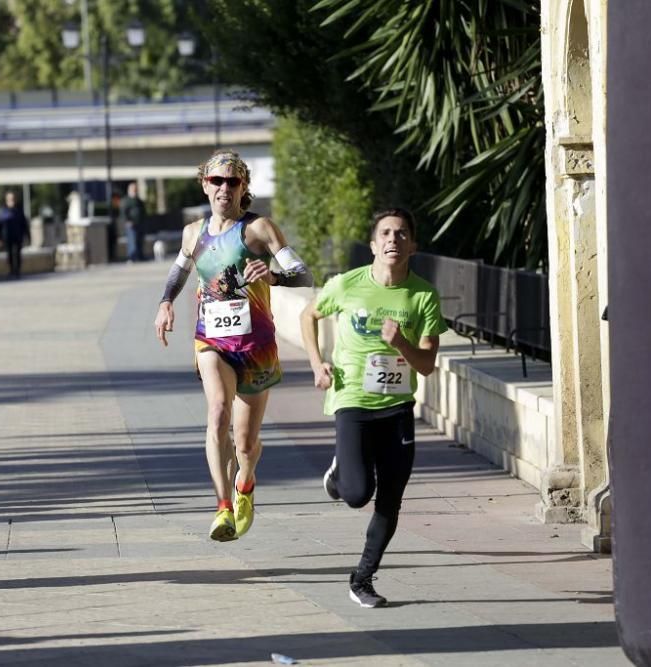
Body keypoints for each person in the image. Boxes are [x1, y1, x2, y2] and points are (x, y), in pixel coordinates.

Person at [154, 149, 314, 542]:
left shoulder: (259, 229)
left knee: (245, 443)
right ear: (205, 186)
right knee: (217, 412)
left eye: (233, 181)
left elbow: (304, 274)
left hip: (255, 345)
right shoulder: (194, 233)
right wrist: (165, 303)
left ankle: (245, 484)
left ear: (244, 188)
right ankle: (222, 508)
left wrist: (273, 277)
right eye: (216, 181)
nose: (224, 188)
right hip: (211, 340)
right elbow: (179, 271)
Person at [299, 208, 447, 608]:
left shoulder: (423, 295)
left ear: (413, 245)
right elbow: (308, 314)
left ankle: (362, 579)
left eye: (401, 234)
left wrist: (401, 344)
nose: (393, 240)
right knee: (356, 494)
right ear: (373, 245)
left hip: (398, 407)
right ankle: (339, 474)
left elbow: (428, 365)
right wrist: (317, 363)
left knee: (391, 499)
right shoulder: (346, 285)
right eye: (385, 234)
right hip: (352, 400)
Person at [0, 190, 30, 279]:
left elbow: (24, 223)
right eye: (10, 198)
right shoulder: (3, 210)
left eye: (13, 198)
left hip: (17, 235)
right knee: (10, 254)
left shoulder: (19, 209)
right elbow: (0, 224)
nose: (12, 200)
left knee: (17, 253)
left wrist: (27, 235)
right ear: (6, 199)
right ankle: (11, 270)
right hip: (7, 236)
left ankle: (17, 270)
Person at [121, 182, 147, 262]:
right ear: (129, 190)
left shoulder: (138, 200)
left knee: (140, 240)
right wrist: (128, 221)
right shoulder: (126, 200)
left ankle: (140, 256)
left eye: (136, 190)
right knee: (132, 241)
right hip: (131, 224)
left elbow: (143, 211)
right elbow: (123, 212)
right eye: (133, 190)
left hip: (140, 223)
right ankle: (132, 257)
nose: (135, 191)